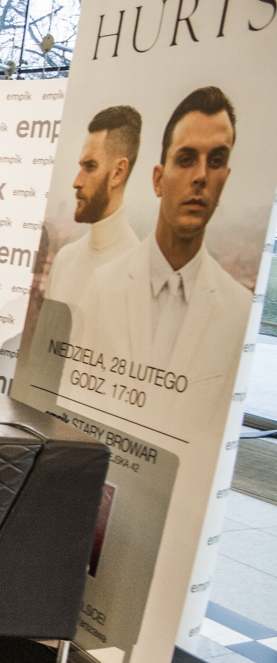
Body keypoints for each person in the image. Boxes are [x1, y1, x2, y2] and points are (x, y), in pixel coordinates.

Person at [76, 86, 251, 428]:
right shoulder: (103, 287)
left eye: (216, 161)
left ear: (225, 179)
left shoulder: (237, 311)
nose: (201, 176)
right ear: (158, 180)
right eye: (186, 159)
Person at [45, 106, 142, 307]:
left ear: (118, 172)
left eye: (90, 166)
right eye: (81, 167)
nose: (77, 182)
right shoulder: (65, 260)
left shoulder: (140, 276)